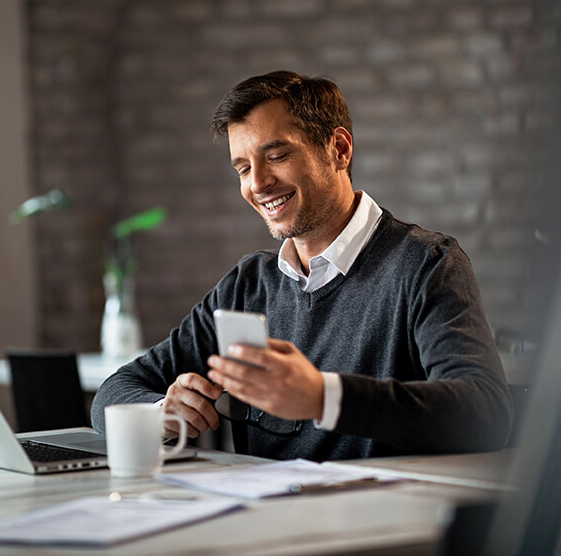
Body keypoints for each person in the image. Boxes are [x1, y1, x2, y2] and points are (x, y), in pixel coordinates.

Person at [91, 71, 512, 461]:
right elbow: (112, 393)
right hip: (265, 527)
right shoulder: (248, 286)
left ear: (339, 150)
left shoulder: (426, 265)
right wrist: (161, 410)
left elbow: (485, 415)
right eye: (243, 168)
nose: (257, 184)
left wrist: (323, 397)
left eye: (276, 156)